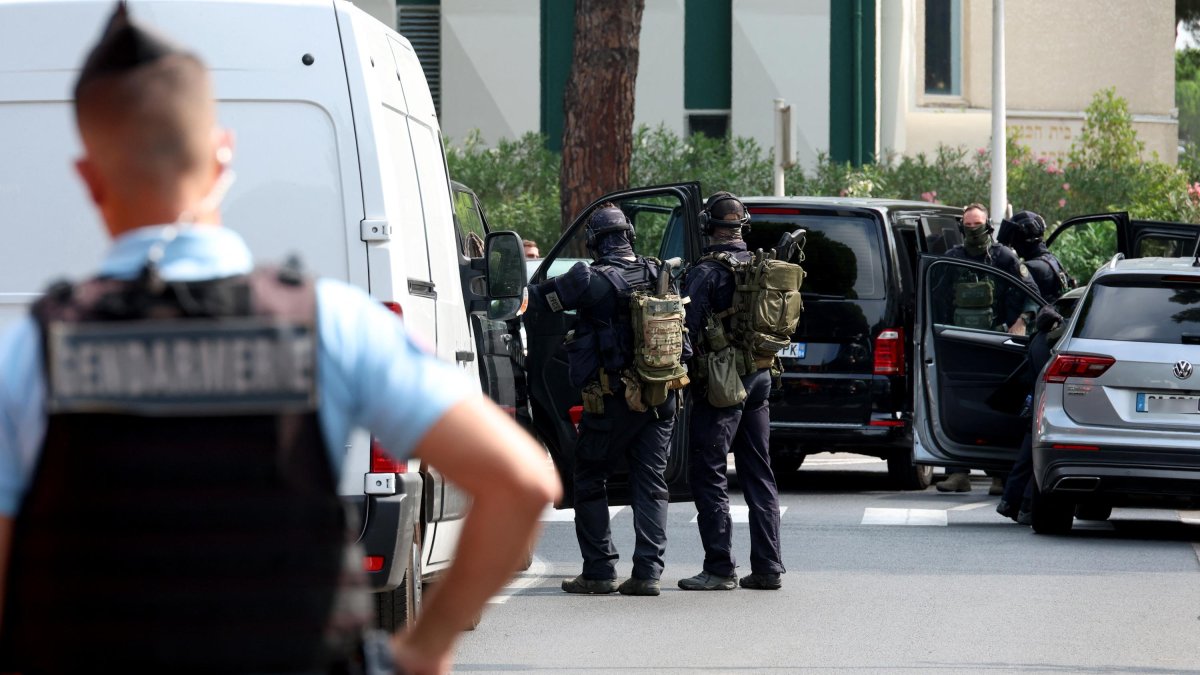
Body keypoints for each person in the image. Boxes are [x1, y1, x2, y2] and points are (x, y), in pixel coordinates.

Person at [0, 6, 560, 674]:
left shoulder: (35, 353)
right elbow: (521, 482)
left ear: (89, 178)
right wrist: (423, 648)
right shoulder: (331, 326)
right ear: (222, 153)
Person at [527, 203, 688, 597]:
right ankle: (648, 573)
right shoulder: (657, 272)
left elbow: (537, 301)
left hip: (613, 399)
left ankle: (599, 571)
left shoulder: (586, 277)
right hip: (659, 395)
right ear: (629, 235)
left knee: (589, 476)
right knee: (650, 484)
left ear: (594, 242)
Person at [678, 192, 785, 592]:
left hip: (722, 383)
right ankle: (769, 567)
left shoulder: (706, 271)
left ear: (709, 226)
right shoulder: (761, 265)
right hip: (760, 375)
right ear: (743, 224)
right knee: (759, 473)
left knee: (709, 472)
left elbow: (684, 328)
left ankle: (720, 568)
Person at [937, 202, 1041, 494]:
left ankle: (999, 475)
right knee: (957, 406)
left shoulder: (1005, 257)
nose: (972, 230)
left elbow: (1032, 293)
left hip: (996, 346)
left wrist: (1021, 322)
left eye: (977, 225)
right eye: (967, 225)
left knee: (997, 408)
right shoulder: (952, 259)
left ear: (988, 226)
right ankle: (957, 473)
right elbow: (937, 296)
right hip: (959, 344)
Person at [997, 210, 1072, 303]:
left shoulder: (1031, 268)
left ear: (1023, 240)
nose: (1013, 246)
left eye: (1015, 240)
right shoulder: (1052, 260)